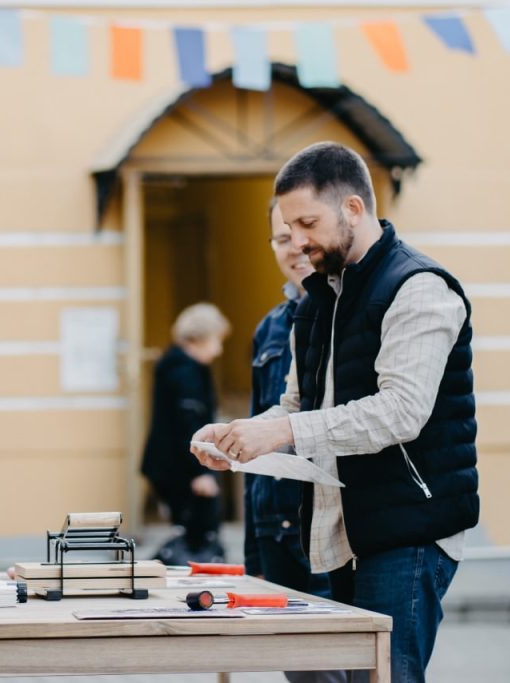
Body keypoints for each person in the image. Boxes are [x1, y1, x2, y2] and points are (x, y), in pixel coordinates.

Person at [192, 142, 479, 683]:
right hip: (344, 534)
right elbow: (296, 406)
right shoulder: (318, 299)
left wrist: (281, 429)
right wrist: (236, 437)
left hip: (409, 530)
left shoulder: (419, 288)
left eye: (308, 223)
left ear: (352, 207)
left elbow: (400, 412)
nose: (298, 242)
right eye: (288, 228)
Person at [245, 199, 345, 683]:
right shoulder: (268, 329)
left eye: (303, 234)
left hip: (326, 524)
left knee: (338, 667)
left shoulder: (345, 315)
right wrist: (252, 557)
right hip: (275, 530)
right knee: (300, 672)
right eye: (282, 239)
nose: (295, 248)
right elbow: (255, 440)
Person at [141, 302, 231, 564]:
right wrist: (200, 472)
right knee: (197, 535)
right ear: (200, 338)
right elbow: (187, 423)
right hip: (182, 467)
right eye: (216, 340)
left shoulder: (176, 365)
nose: (219, 349)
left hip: (170, 465)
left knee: (190, 533)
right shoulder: (185, 371)